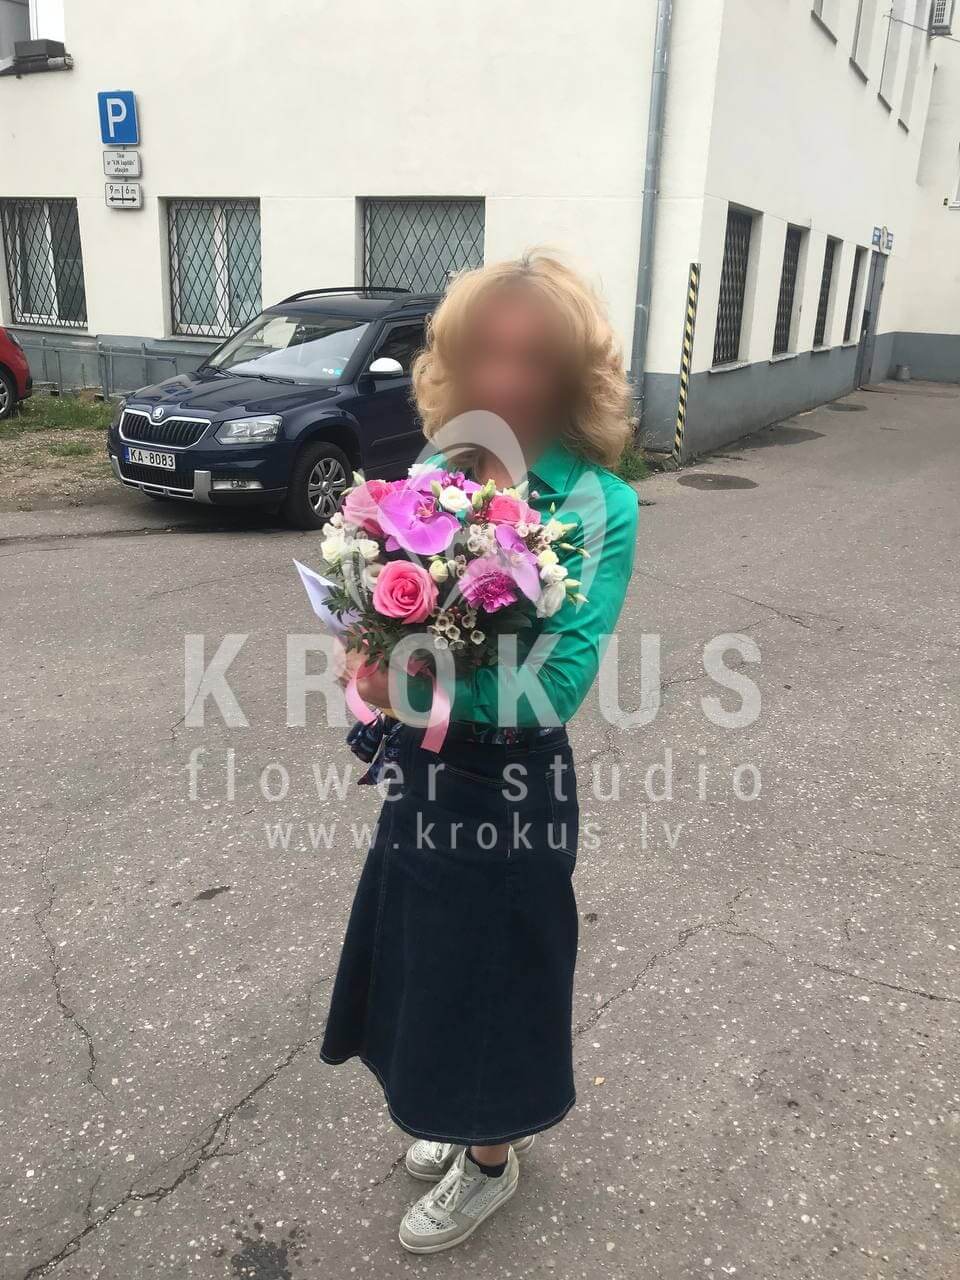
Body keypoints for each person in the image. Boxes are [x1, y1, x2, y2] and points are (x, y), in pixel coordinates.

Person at [320, 252, 639, 1254]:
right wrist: (363, 646)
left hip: (511, 777)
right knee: (428, 958)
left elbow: (556, 681)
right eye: (487, 352)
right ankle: (454, 1112)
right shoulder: (436, 472)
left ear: (574, 371)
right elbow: (375, 604)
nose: (505, 376)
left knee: (497, 972)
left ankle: (491, 1159)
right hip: (424, 769)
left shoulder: (596, 501)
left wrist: (408, 684)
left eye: (533, 356)